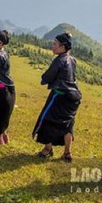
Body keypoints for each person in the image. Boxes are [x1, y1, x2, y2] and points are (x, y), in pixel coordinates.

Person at [33, 32, 82, 162]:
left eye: (55, 44)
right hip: (73, 97)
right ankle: (67, 153)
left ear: (63, 46)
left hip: (59, 96)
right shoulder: (72, 60)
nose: (52, 46)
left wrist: (44, 80)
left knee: (47, 120)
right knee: (67, 125)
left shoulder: (59, 60)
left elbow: (48, 76)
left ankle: (47, 149)